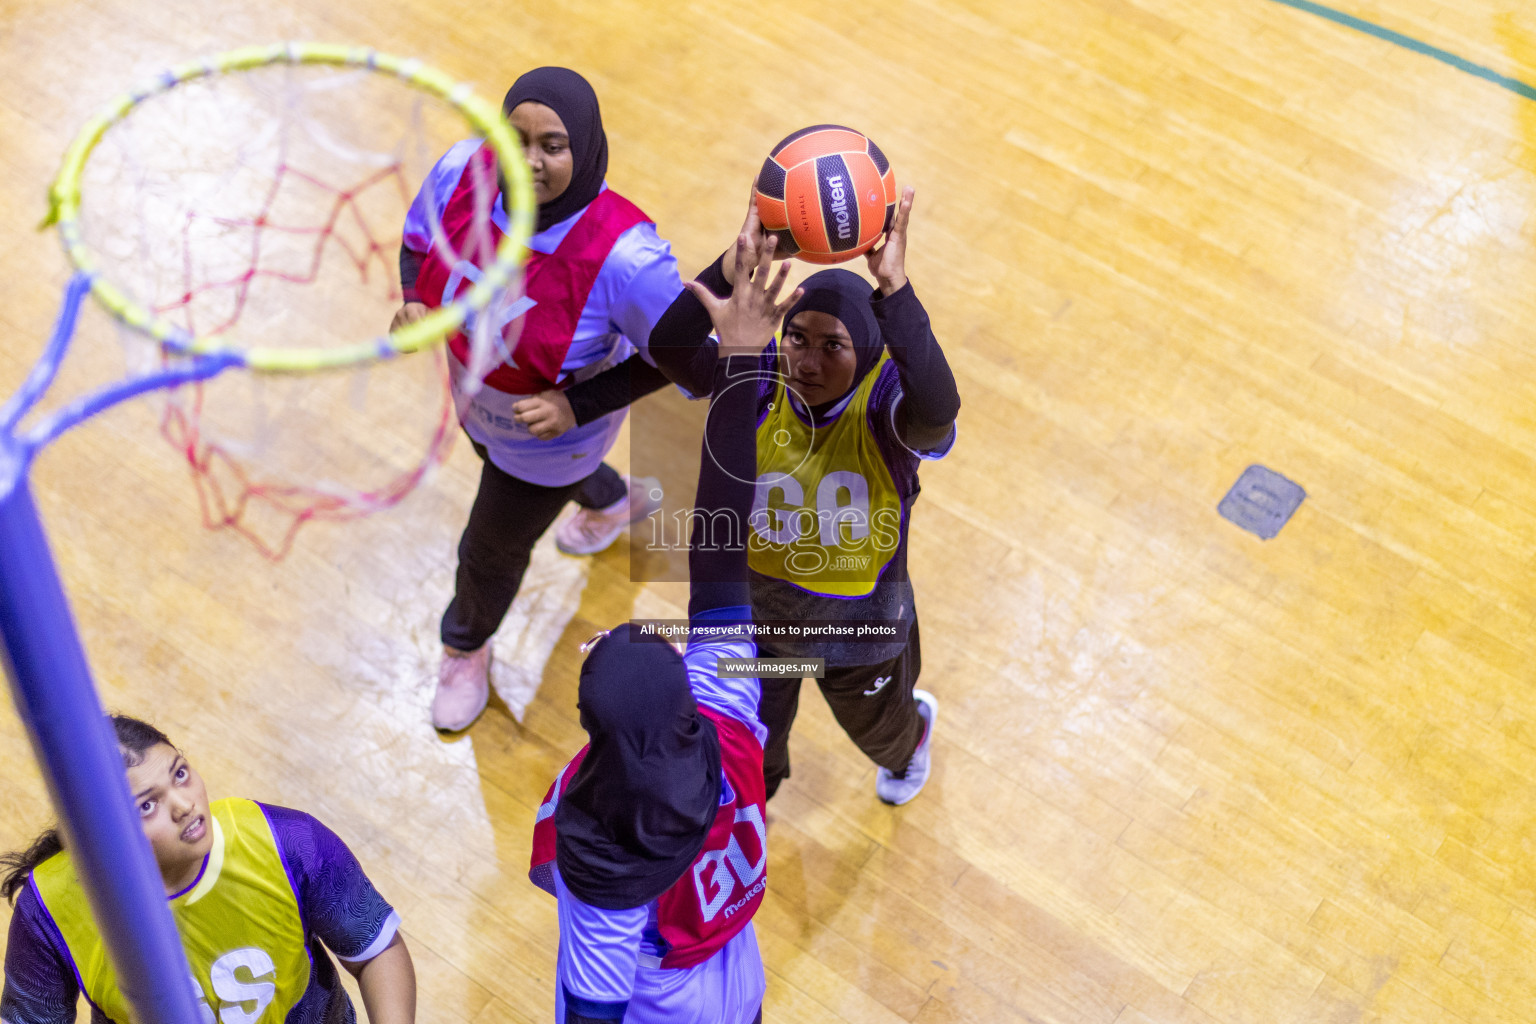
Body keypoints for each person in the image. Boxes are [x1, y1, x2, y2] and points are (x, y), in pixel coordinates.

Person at [526, 240, 800, 1023]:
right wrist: (743, 361)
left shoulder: (601, 857)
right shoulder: (730, 711)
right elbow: (719, 545)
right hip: (738, 988)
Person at [647, 186, 960, 806]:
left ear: (866, 352)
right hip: (753, 631)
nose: (808, 363)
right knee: (745, 767)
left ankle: (912, 736)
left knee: (886, 740)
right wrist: (735, 264)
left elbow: (939, 407)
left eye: (833, 346)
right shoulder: (756, 380)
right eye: (798, 338)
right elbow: (669, 348)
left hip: (860, 630)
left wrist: (895, 290)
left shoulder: (885, 405)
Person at [393, 67, 684, 731]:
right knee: (499, 473)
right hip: (475, 401)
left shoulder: (626, 258)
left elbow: (685, 355)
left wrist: (576, 406)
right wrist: (414, 301)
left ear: (585, 148)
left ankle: (464, 646)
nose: (528, 161)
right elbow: (418, 243)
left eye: (552, 145)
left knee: (489, 548)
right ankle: (615, 501)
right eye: (514, 138)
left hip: (554, 442)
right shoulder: (462, 171)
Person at [0, 716, 415, 1024]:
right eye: (147, 805)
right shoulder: (49, 910)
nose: (184, 805)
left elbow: (376, 952)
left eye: (180, 774)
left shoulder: (287, 842)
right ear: (98, 835)